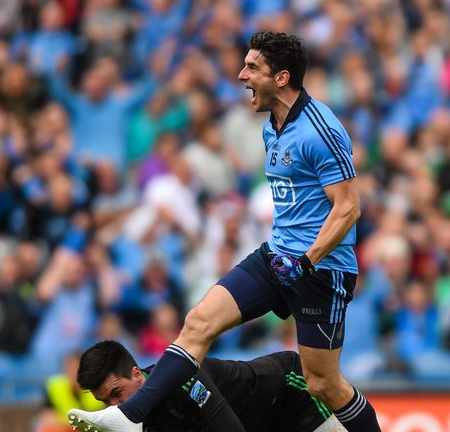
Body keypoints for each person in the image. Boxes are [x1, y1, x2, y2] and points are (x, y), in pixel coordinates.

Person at [66, 31, 373, 431]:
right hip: (276, 258)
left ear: (281, 78)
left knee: (323, 383)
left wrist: (307, 261)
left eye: (252, 67)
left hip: (321, 269)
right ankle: (130, 416)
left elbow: (348, 209)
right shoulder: (271, 127)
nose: (241, 74)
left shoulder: (321, 129)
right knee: (198, 322)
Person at [68, 341, 378, 432]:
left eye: (117, 394)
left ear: (137, 374)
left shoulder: (181, 376)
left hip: (292, 390)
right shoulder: (143, 424)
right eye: (106, 403)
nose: (115, 408)